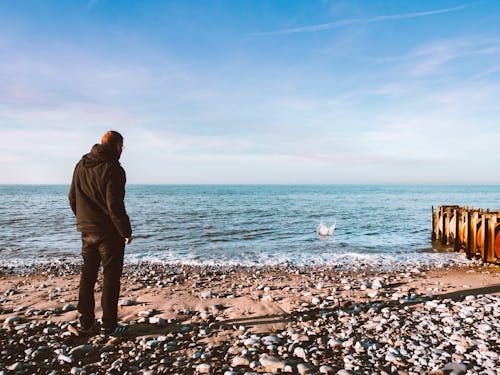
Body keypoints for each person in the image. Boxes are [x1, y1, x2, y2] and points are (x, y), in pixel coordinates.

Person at [69, 130, 133, 335]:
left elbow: (72, 197)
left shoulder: (81, 165)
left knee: (87, 276)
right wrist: (125, 230)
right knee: (111, 277)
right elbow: (114, 204)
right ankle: (109, 325)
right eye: (122, 146)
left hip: (87, 229)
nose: (122, 150)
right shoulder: (113, 168)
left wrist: (83, 219)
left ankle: (86, 322)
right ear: (116, 146)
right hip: (108, 233)